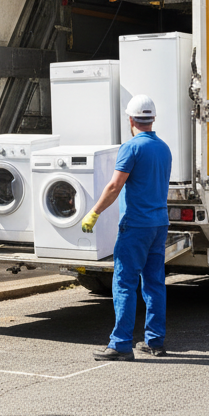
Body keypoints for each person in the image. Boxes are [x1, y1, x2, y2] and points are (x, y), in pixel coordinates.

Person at [82, 94, 173, 360]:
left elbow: (114, 185)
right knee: (155, 283)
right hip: (159, 224)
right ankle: (155, 341)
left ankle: (121, 344)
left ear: (130, 119)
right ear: (152, 119)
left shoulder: (131, 147)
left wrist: (94, 212)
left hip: (136, 225)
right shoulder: (164, 148)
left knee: (124, 283)